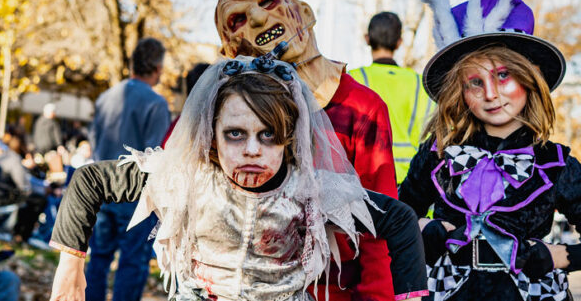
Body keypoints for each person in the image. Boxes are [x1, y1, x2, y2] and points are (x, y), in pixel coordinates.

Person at [49, 56, 426, 301]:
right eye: (235, 134)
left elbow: (400, 220)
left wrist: (411, 297)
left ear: (289, 140)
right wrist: (70, 268)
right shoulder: (186, 177)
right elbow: (89, 182)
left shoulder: (312, 190)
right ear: (212, 135)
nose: (251, 150)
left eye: (268, 135)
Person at [215, 0, 416, 300]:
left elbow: (377, 228)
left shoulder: (361, 107)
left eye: (267, 2)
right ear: (231, 53)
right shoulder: (233, 117)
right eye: (237, 20)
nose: (255, 16)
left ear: (305, 13)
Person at [399, 0, 581, 300]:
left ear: (529, 77)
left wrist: (560, 256)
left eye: (502, 75)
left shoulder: (557, 163)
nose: (491, 94)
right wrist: (423, 230)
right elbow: (397, 217)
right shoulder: (438, 155)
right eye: (474, 82)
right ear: (459, 90)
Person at [85, 37, 171, 301]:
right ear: (157, 67)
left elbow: (92, 141)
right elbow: (154, 155)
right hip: (135, 195)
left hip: (102, 189)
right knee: (132, 262)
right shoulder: (156, 104)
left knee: (98, 258)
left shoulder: (104, 98)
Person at [349, 12, 433, 185]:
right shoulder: (419, 83)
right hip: (411, 179)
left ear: (367, 39)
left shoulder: (353, 79)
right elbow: (430, 131)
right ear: (399, 42)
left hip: (366, 178)